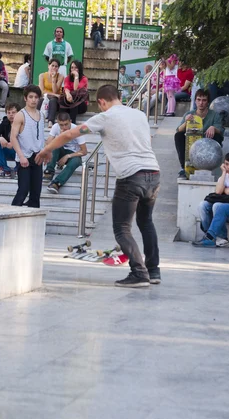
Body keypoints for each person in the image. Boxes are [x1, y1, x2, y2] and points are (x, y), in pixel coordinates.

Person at [36, 84, 161, 289]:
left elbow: (69, 135)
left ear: (102, 102)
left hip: (130, 176)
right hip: (153, 173)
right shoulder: (139, 115)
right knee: (146, 222)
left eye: (100, 105)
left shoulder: (105, 117)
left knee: (122, 229)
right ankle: (154, 271)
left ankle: (139, 273)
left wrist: (46, 150)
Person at [195, 152, 229, 247]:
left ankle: (222, 237)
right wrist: (223, 173)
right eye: (226, 164)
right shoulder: (224, 176)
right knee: (202, 205)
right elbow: (219, 191)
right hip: (225, 204)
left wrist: (226, 189)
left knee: (217, 205)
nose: (228, 167)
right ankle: (210, 236)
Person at [175, 89, 224, 179]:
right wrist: (186, 122)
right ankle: (183, 167)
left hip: (208, 144)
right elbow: (178, 130)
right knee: (178, 136)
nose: (201, 103)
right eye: (199, 100)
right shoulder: (189, 114)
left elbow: (221, 130)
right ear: (195, 101)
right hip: (192, 141)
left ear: (208, 102)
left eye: (204, 100)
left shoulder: (214, 115)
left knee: (218, 136)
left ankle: (210, 167)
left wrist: (213, 128)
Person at [11, 85, 45, 208]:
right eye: (30, 97)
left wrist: (44, 152)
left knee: (36, 192)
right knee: (23, 190)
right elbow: (13, 137)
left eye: (36, 97)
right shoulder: (20, 115)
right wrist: (21, 156)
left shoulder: (42, 115)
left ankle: (34, 223)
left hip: (38, 156)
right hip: (24, 156)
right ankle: (11, 216)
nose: (33, 100)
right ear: (25, 98)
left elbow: (41, 136)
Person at [43, 112, 87, 194]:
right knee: (54, 147)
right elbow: (48, 143)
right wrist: (60, 138)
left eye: (66, 124)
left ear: (70, 121)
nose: (64, 127)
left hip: (73, 154)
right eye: (61, 125)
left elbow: (84, 151)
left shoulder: (77, 130)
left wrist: (68, 156)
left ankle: (56, 183)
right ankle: (49, 171)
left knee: (76, 161)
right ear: (57, 123)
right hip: (60, 151)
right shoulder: (55, 127)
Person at [0, 102, 21, 179]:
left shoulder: (23, 124)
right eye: (8, 113)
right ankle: (5, 170)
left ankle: (19, 169)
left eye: (13, 112)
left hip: (20, 152)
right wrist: (0, 137)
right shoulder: (5, 122)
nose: (11, 115)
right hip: (8, 150)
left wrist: (13, 144)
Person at [39, 58, 64, 129]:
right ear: (48, 66)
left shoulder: (60, 77)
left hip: (55, 99)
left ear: (58, 68)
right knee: (40, 100)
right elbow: (42, 91)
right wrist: (54, 94)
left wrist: (53, 78)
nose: (54, 68)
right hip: (45, 96)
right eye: (52, 65)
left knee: (53, 100)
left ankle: (51, 121)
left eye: (56, 66)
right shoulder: (42, 75)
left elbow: (55, 90)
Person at [61, 60, 88, 124]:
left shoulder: (84, 79)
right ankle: (61, 122)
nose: (73, 69)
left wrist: (76, 77)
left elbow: (76, 89)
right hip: (69, 102)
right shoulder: (67, 78)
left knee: (74, 102)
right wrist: (67, 94)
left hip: (81, 104)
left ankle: (72, 123)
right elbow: (66, 88)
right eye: (72, 67)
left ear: (79, 69)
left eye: (76, 68)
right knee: (62, 100)